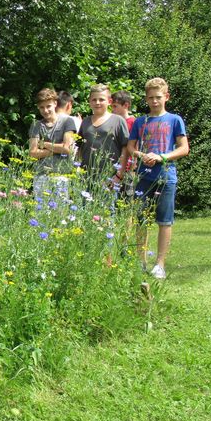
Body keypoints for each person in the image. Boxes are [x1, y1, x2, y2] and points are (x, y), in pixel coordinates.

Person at [127, 77, 189, 279]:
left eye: (158, 97)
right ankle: (140, 261)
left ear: (166, 97)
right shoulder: (140, 121)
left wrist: (161, 157)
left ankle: (160, 264)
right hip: (143, 176)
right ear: (146, 99)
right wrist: (141, 156)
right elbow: (131, 147)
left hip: (166, 177)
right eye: (151, 97)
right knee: (141, 220)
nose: (154, 101)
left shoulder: (174, 120)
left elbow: (183, 148)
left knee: (164, 221)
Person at [78, 84, 129, 188]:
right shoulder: (85, 122)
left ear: (109, 101)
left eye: (101, 99)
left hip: (109, 177)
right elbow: (79, 147)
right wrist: (77, 169)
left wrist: (119, 175)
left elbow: (125, 148)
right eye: (94, 100)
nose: (97, 102)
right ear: (89, 102)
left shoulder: (118, 121)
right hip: (85, 176)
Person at [28, 88, 76, 198]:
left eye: (48, 106)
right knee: (40, 213)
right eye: (42, 107)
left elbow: (67, 149)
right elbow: (33, 153)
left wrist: (44, 144)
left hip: (61, 176)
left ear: (55, 103)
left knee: (60, 213)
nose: (45, 110)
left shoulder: (67, 122)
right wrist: (57, 150)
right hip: (41, 176)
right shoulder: (36, 125)